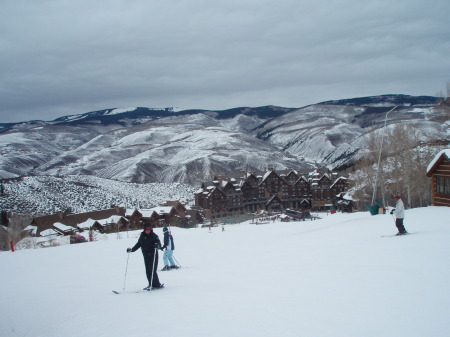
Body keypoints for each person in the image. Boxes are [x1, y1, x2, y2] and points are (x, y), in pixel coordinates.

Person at [127, 223, 164, 290]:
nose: (148, 231)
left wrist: (157, 245)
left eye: (149, 229)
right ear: (144, 230)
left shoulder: (154, 236)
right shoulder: (142, 236)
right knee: (148, 271)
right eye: (146, 229)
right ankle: (151, 284)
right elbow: (138, 244)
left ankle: (156, 284)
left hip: (153, 256)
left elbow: (159, 244)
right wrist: (132, 250)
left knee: (152, 270)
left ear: (151, 229)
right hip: (146, 256)